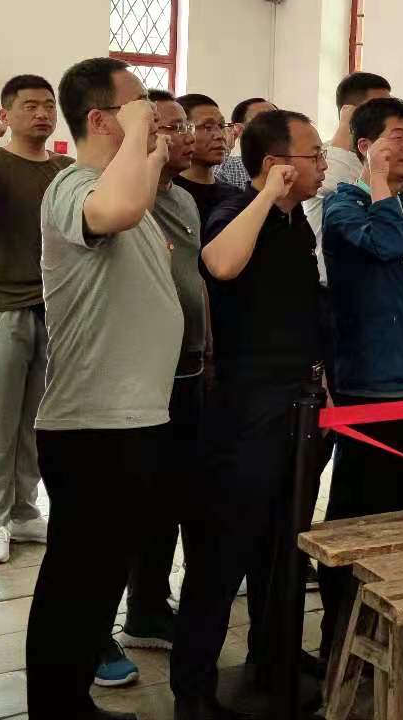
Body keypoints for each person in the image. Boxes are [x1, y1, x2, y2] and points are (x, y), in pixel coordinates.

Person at [24, 57, 178, 719]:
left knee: (100, 579)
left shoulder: (125, 184)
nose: (153, 116)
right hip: (92, 423)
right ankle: (55, 708)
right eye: (138, 105)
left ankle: (71, 703)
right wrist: (143, 132)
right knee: (75, 581)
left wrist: (149, 145)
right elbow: (114, 207)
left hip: (132, 417)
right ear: (101, 118)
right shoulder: (73, 184)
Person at [175, 110, 328, 719]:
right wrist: (266, 195)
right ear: (276, 165)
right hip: (246, 407)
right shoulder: (236, 207)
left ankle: (274, 657)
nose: (323, 165)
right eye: (313, 155)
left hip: (299, 400)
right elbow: (220, 264)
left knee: (283, 542)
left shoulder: (297, 222)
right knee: (225, 549)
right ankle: (193, 688)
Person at [317, 95, 403, 661]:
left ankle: (382, 632)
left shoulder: (402, 203)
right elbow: (386, 247)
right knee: (358, 511)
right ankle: (340, 634)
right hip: (371, 380)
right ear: (364, 147)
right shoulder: (344, 204)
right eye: (397, 135)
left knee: (392, 508)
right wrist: (381, 183)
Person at [108, 91, 208, 671]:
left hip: (188, 365)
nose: (185, 136)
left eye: (186, 126)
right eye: (171, 127)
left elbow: (192, 276)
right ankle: (108, 622)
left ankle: (148, 606)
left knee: (170, 495)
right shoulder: (122, 195)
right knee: (132, 501)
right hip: (141, 372)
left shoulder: (184, 198)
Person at [0, 73, 71, 569]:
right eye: (30, 106)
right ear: (6, 114)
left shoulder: (65, 169)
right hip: (4, 306)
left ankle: (25, 511)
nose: (42, 113)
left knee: (37, 422)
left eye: (48, 105)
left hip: (57, 309)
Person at [307, 72, 393, 283]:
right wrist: (347, 125)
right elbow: (330, 184)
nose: (388, 115)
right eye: (380, 109)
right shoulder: (323, 155)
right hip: (328, 284)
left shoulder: (378, 156)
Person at [174, 93, 232, 224]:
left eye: (221, 126)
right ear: (184, 131)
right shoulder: (170, 194)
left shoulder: (234, 195)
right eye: (207, 127)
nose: (220, 135)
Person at [213, 98, 273, 188]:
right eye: (265, 120)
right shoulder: (230, 167)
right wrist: (224, 148)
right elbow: (211, 186)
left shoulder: (290, 162)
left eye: (278, 118)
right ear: (239, 129)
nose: (275, 125)